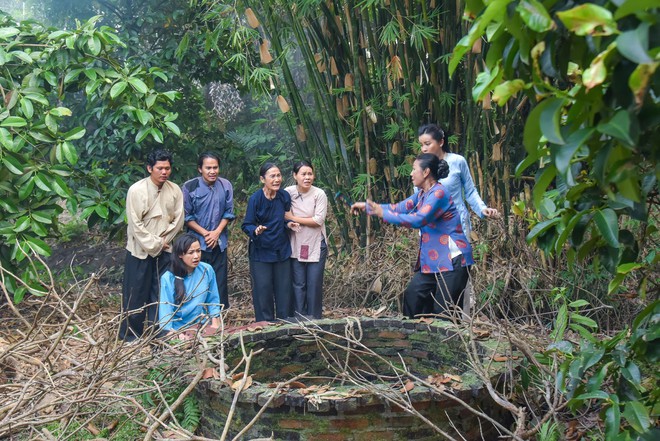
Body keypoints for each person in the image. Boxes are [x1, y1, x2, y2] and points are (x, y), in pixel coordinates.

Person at [351, 153, 474, 319]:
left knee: (444, 313)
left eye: (414, 169)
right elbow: (398, 208)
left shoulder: (438, 193)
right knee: (413, 296)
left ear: (426, 172)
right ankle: (413, 340)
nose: (410, 173)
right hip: (434, 261)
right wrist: (369, 208)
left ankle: (445, 343)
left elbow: (419, 219)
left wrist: (382, 214)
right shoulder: (421, 194)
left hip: (453, 260)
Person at [119, 149, 184, 342]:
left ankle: (160, 332)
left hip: (165, 250)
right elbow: (135, 224)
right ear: (150, 168)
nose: (164, 172)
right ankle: (130, 336)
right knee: (135, 293)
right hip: (140, 250)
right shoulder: (136, 190)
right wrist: (155, 243)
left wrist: (163, 242)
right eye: (160, 168)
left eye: (167, 168)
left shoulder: (175, 190)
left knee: (161, 292)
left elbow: (179, 220)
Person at [418, 123, 498, 237]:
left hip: (457, 222)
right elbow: (418, 199)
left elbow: (470, 191)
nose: (423, 149)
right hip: (431, 226)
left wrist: (482, 209)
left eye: (427, 144)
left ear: (441, 142)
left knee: (459, 254)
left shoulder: (457, 161)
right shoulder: (420, 167)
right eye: (421, 145)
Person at [242, 163, 300, 322]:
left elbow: (282, 220)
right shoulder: (255, 199)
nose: (277, 179)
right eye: (272, 176)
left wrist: (289, 224)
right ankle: (264, 325)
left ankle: (285, 324)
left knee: (284, 291)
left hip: (281, 249)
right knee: (263, 291)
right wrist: (256, 230)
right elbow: (246, 224)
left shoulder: (284, 196)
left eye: (279, 175)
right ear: (262, 179)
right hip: (261, 252)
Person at [182, 152, 235, 310]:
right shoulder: (190, 186)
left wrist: (216, 232)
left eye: (215, 167)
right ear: (200, 169)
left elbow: (228, 212)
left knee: (219, 280)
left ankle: (219, 315)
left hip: (219, 242)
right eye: (208, 168)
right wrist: (205, 233)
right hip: (196, 244)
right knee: (197, 280)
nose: (212, 171)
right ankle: (197, 315)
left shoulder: (225, 185)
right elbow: (187, 216)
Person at [285, 161, 328, 319]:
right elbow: (283, 214)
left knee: (314, 284)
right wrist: (289, 221)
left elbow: (318, 220)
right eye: (303, 174)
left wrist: (294, 217)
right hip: (296, 242)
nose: (307, 177)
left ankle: (315, 318)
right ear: (295, 176)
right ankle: (299, 317)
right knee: (298, 284)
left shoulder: (319, 194)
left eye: (310, 174)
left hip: (316, 243)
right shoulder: (287, 193)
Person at [158, 234, 221, 337]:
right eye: (191, 252)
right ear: (180, 255)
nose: (196, 256)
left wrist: (215, 322)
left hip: (202, 325)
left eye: (198, 251)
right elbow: (166, 313)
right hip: (178, 330)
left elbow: (213, 300)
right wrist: (173, 334)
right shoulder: (168, 278)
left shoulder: (207, 270)